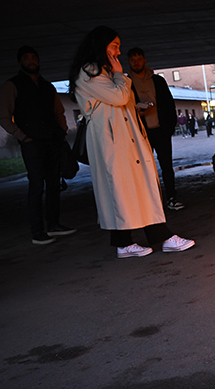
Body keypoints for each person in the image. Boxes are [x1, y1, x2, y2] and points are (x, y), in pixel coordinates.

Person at [68, 26, 194, 258]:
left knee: (129, 187)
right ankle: (156, 237)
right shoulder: (90, 72)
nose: (118, 50)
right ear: (100, 45)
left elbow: (116, 102)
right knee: (123, 188)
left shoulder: (101, 71)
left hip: (122, 135)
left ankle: (127, 242)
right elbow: (118, 96)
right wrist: (119, 75)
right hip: (112, 138)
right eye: (114, 45)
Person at [0, 45, 77, 245]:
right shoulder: (12, 85)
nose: (31, 61)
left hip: (52, 140)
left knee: (54, 184)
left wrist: (61, 131)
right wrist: (22, 136)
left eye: (34, 57)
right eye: (26, 58)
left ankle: (54, 225)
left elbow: (58, 112)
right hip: (31, 143)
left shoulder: (47, 86)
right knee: (36, 185)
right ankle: (37, 232)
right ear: (20, 62)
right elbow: (4, 116)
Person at [126, 47, 184, 211]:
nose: (136, 63)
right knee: (144, 168)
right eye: (133, 60)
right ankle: (150, 203)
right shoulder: (126, 83)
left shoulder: (158, 81)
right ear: (129, 62)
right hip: (140, 133)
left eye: (139, 59)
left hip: (161, 130)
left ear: (144, 60)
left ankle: (171, 198)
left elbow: (169, 103)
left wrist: (170, 126)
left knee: (167, 166)